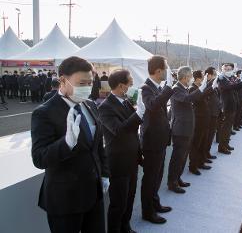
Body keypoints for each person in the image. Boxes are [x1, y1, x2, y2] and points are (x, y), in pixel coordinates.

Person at [31, 56, 109, 233]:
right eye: (82, 83)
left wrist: (104, 174)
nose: (87, 87)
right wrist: (66, 143)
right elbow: (39, 158)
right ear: (63, 81)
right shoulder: (44, 113)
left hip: (94, 193)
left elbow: (98, 146)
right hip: (65, 200)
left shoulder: (90, 105)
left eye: (90, 82)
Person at [98, 69, 145, 233]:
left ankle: (126, 227)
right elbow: (118, 130)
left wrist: (139, 112)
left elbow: (133, 128)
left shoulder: (124, 101)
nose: (132, 84)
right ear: (120, 85)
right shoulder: (105, 107)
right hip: (118, 163)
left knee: (130, 198)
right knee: (118, 203)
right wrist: (139, 113)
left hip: (132, 160)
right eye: (130, 82)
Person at [140, 55, 174, 224]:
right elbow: (153, 106)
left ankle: (155, 203)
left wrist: (166, 89)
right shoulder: (146, 88)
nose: (167, 72)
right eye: (166, 68)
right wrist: (168, 88)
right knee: (150, 178)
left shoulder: (158, 87)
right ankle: (148, 212)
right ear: (158, 70)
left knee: (158, 175)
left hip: (160, 139)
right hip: (151, 142)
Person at [168, 66, 209, 192]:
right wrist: (201, 89)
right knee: (177, 158)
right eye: (191, 76)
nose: (192, 78)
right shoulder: (176, 89)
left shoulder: (183, 88)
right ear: (185, 77)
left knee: (183, 156)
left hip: (186, 129)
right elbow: (187, 99)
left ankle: (177, 178)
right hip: (180, 130)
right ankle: (172, 183)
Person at [218, 63, 242, 154]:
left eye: (230, 69)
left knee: (229, 127)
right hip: (227, 106)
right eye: (226, 69)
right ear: (223, 70)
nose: (228, 71)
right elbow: (230, 87)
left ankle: (226, 143)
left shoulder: (229, 78)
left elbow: (236, 86)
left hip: (233, 105)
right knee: (225, 127)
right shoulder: (221, 79)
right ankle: (222, 146)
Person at [188, 70, 214, 176]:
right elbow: (199, 98)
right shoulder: (192, 89)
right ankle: (193, 166)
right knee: (196, 144)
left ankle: (201, 162)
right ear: (198, 78)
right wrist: (208, 88)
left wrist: (211, 87)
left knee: (203, 141)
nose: (203, 79)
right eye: (202, 77)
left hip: (204, 119)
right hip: (198, 120)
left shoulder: (199, 88)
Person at [204, 67, 220, 160]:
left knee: (211, 135)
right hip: (209, 114)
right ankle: (204, 154)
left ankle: (207, 152)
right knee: (208, 136)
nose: (215, 76)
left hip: (215, 113)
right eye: (214, 74)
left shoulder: (214, 84)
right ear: (208, 75)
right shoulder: (206, 85)